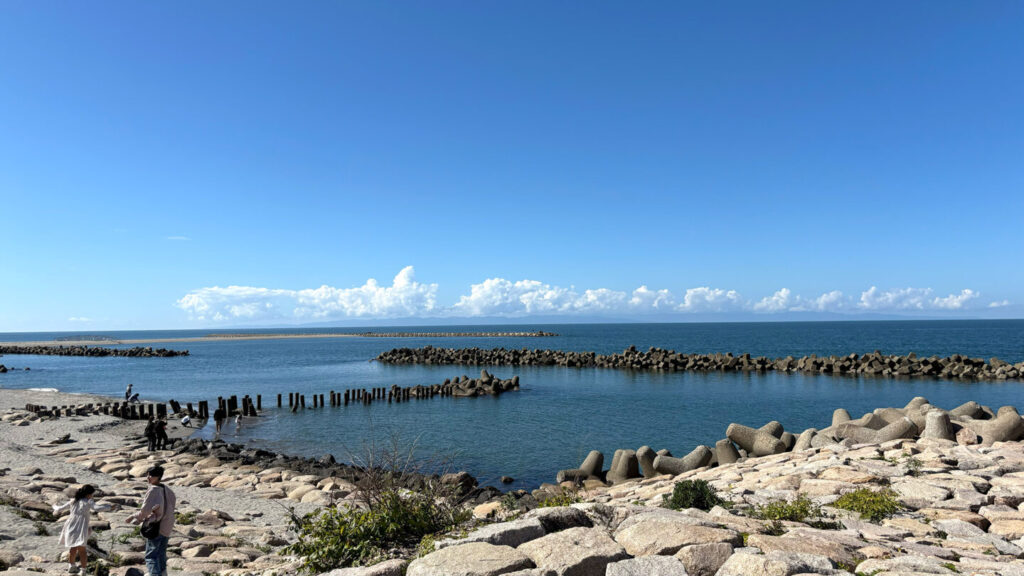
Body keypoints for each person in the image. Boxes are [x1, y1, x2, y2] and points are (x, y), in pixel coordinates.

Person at [53, 484, 111, 574]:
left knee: (73, 547)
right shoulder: (89, 501)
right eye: (92, 494)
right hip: (81, 525)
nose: (92, 496)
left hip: (71, 524)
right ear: (88, 494)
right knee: (82, 549)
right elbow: (97, 508)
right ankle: (83, 570)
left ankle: (71, 565)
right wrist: (109, 507)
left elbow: (60, 508)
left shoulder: (73, 501)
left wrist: (54, 506)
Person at [130, 466, 176, 576]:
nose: (148, 477)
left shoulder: (153, 490)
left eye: (151, 475)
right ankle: (163, 573)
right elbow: (171, 505)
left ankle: (155, 574)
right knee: (161, 553)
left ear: (158, 477)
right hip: (167, 525)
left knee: (151, 555)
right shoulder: (167, 489)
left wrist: (134, 516)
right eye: (147, 475)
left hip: (157, 526)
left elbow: (145, 511)